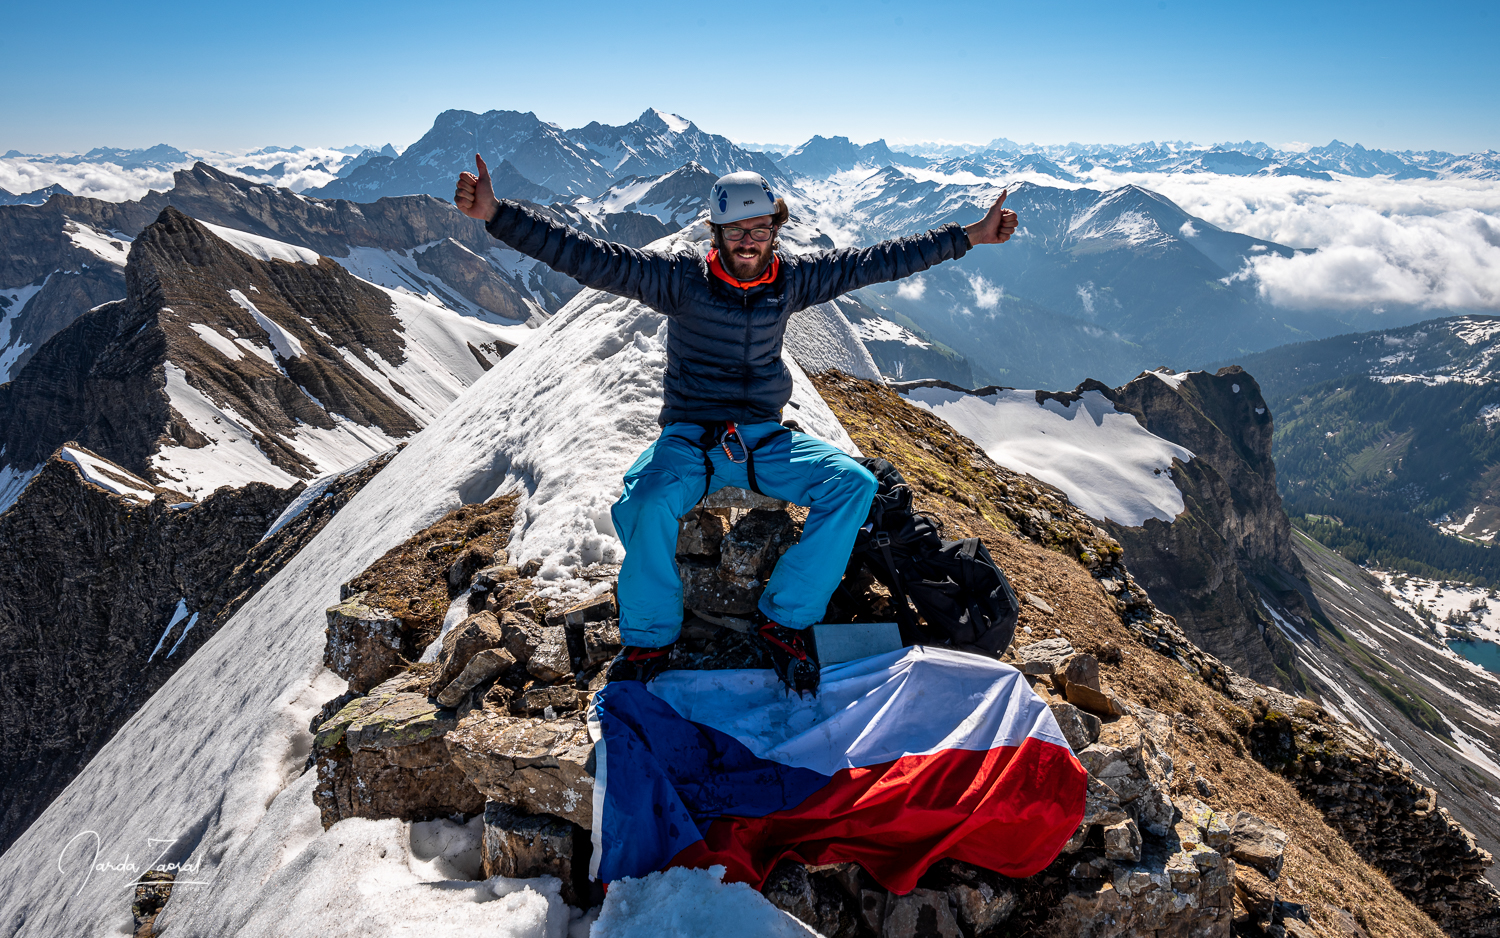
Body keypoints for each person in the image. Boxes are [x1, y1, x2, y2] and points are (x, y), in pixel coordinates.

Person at [455, 156, 1017, 695]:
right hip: (692, 437)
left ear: (775, 229)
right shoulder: (680, 280)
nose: (748, 240)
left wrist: (971, 235)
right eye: (735, 230)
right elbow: (585, 256)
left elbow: (880, 260)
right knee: (645, 499)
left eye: (758, 229)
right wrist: (498, 216)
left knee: (856, 486)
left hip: (765, 440)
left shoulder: (792, 281)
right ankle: (650, 640)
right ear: (715, 232)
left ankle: (785, 617)